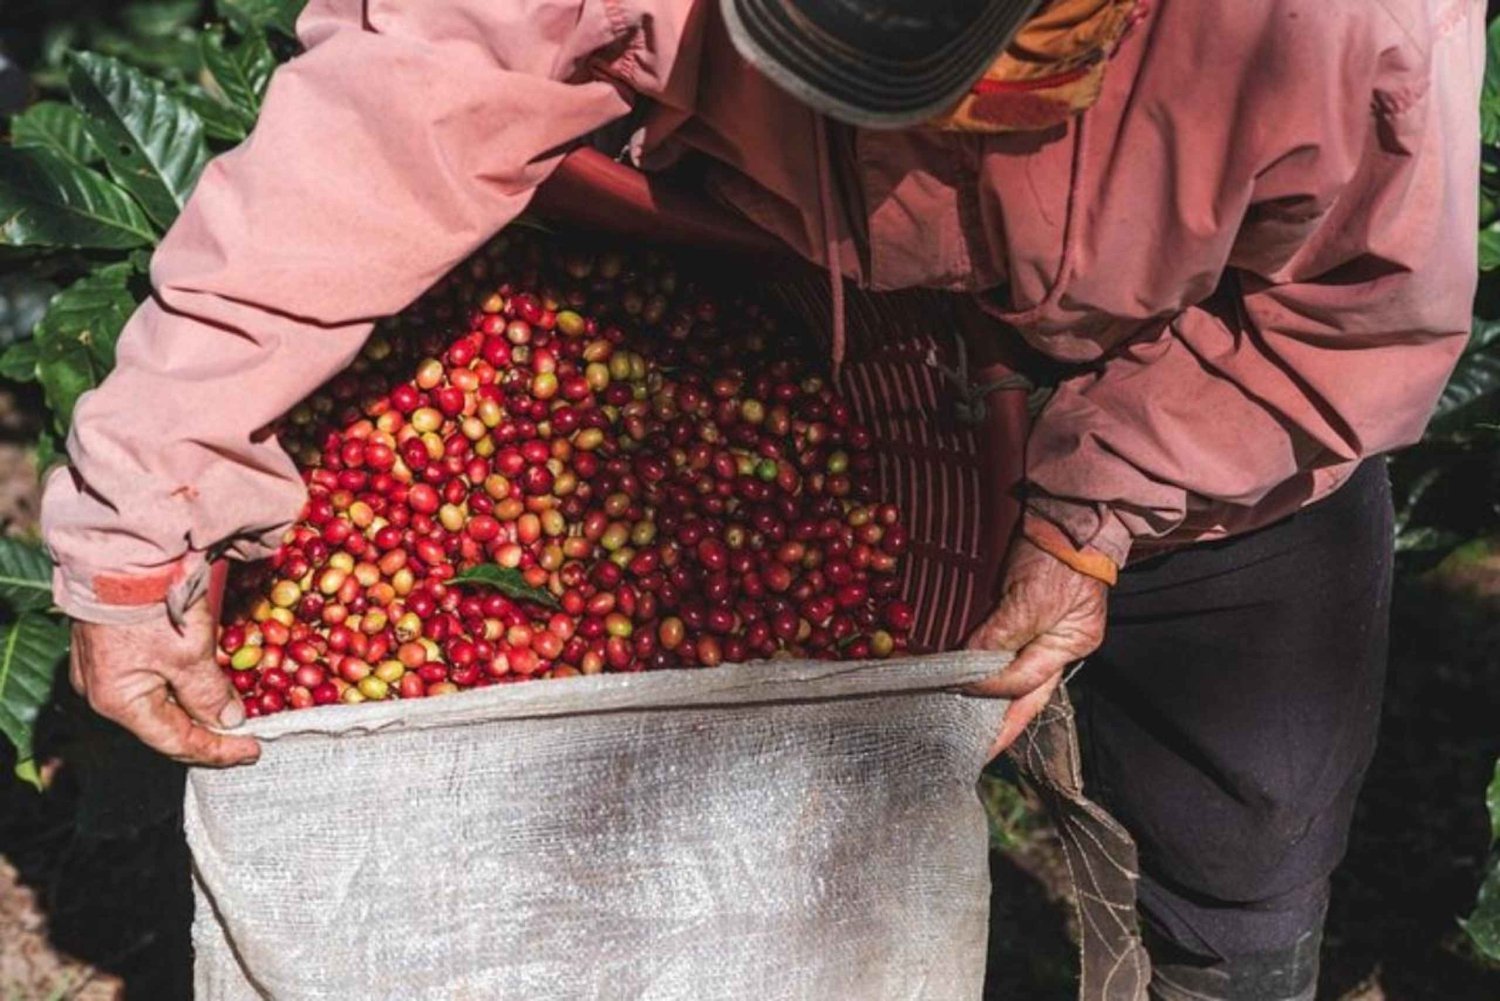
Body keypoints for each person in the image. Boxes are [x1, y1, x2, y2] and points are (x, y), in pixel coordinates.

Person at [42, 0, 1481, 998]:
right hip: (805, 294)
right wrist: (139, 504)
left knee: (1253, 806)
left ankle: (1217, 968)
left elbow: (1338, 328)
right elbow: (377, 131)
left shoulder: (1340, 38)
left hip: (1195, 378)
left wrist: (1086, 521)